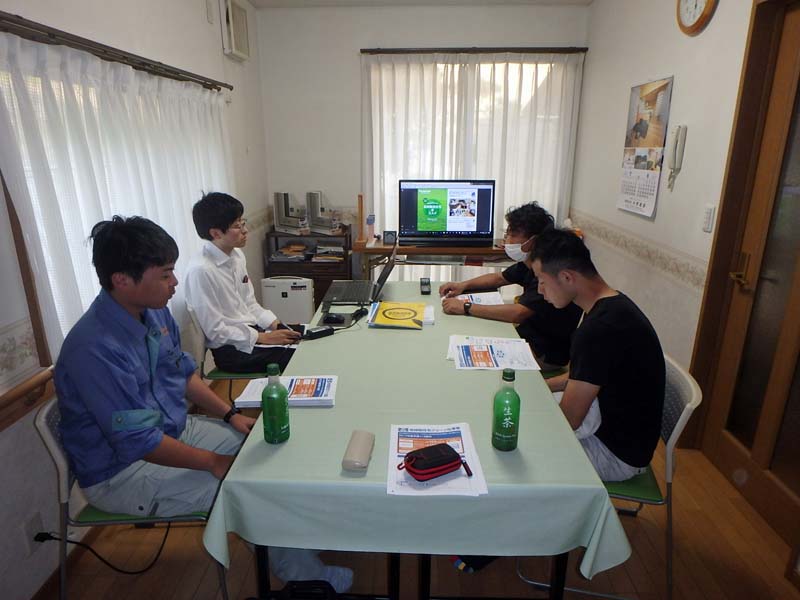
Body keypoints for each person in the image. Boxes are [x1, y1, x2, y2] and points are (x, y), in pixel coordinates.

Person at [54, 216, 352, 592]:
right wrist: (213, 462)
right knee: (249, 489)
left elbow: (182, 373)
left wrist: (230, 415)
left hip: (174, 431)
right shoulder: (94, 348)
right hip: (123, 472)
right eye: (165, 274)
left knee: (272, 449)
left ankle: (297, 540)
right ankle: (307, 579)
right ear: (122, 280)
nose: (175, 283)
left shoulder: (152, 311)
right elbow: (138, 443)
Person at [530, 228, 665, 482]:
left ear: (567, 277)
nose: (540, 290)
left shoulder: (598, 330)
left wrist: (529, 412)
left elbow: (569, 420)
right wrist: (539, 387)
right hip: (622, 433)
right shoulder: (613, 304)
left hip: (615, 454)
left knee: (516, 444)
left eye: (542, 281)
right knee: (528, 412)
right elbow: (585, 375)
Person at [439, 202, 582, 370]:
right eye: (507, 233)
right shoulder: (529, 262)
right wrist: (463, 285)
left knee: (465, 357)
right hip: (525, 337)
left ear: (533, 240)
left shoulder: (548, 271)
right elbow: (499, 278)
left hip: (544, 353)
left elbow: (518, 313)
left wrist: (466, 307)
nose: (507, 240)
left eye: (512, 234)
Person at [184, 192, 301, 374]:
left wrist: (277, 325)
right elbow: (215, 331)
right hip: (232, 350)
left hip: (252, 333)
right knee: (301, 356)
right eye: (237, 226)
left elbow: (249, 303)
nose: (245, 230)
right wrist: (262, 338)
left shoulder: (236, 255)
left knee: (306, 337)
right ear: (215, 233)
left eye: (242, 222)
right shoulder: (201, 271)